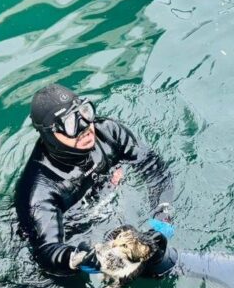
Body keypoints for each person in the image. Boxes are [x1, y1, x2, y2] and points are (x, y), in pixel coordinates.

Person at [15, 83, 174, 278]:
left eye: (84, 112)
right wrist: (76, 258)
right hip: (75, 229)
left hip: (106, 207)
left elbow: (155, 169)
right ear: (49, 133)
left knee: (158, 258)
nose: (85, 127)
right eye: (70, 124)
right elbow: (47, 251)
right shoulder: (39, 189)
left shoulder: (108, 133)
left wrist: (161, 222)